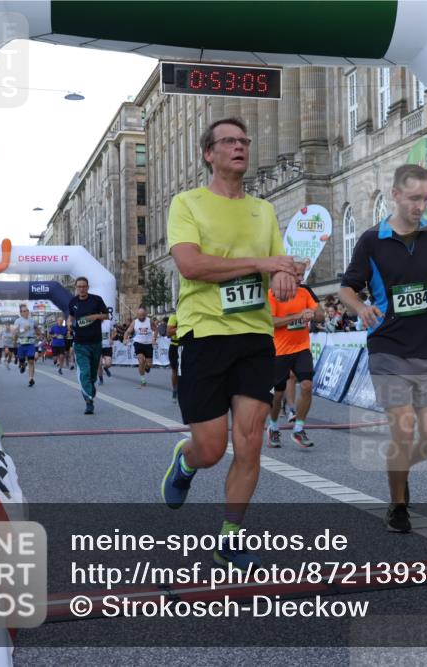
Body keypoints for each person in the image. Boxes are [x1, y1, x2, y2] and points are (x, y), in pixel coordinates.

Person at [160, 117, 302, 569]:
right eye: (228, 141)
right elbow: (192, 265)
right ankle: (185, 462)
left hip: (256, 335)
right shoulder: (187, 203)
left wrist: (281, 276)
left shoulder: (263, 210)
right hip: (204, 333)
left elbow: (281, 265)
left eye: (244, 141)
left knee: (251, 441)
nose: (239, 147)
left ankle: (231, 537)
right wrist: (263, 262)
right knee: (211, 448)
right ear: (209, 154)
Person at [339, 163, 427, 533]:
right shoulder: (370, 240)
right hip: (388, 347)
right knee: (404, 427)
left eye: (425, 199)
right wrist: (360, 307)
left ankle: (400, 470)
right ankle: (398, 505)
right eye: (413, 198)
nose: (420, 206)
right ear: (395, 195)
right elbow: (346, 288)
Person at [265, 285, 324, 448]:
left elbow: (321, 316)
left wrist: (315, 313)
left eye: (301, 274)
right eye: (296, 274)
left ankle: (298, 428)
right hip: (280, 351)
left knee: (306, 385)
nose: (299, 278)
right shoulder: (273, 292)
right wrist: (297, 315)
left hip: (302, 348)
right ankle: (273, 426)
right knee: (277, 394)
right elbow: (272, 321)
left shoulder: (304, 292)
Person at [67, 276, 110, 414]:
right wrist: (69, 322)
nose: (81, 289)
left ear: (88, 287)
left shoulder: (96, 300)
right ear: (76, 287)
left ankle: (90, 388)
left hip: (95, 342)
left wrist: (95, 316)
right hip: (80, 343)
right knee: (84, 372)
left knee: (92, 375)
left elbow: (106, 316)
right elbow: (72, 316)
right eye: (79, 286)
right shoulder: (73, 302)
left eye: (84, 286)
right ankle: (89, 401)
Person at [123, 305, 156, 387]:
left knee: (149, 365)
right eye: (139, 315)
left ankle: (146, 367)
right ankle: (142, 379)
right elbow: (127, 332)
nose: (141, 317)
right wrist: (125, 339)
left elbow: (156, 330)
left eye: (143, 315)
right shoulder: (135, 322)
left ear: (146, 314)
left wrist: (154, 338)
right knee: (141, 361)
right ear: (137, 314)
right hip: (138, 343)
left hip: (148, 344)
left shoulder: (150, 321)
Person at [13, 305, 37, 387]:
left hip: (30, 343)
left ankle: (30, 379)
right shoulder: (17, 321)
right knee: (22, 360)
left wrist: (40, 334)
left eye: (26, 310)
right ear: (20, 313)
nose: (25, 312)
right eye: (23, 311)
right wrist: (23, 329)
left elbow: (36, 329)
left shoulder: (32, 321)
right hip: (21, 344)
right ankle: (22, 365)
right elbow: (15, 333)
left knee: (31, 361)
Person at [166, 312, 180, 402]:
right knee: (175, 370)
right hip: (175, 346)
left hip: (187, 345)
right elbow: (168, 333)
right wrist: (183, 327)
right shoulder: (174, 317)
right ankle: (175, 390)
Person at [98, 317, 114, 385]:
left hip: (107, 346)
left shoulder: (108, 322)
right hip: (97, 346)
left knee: (108, 364)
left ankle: (105, 368)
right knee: (99, 364)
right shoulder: (94, 323)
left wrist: (111, 338)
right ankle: (101, 379)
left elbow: (113, 331)